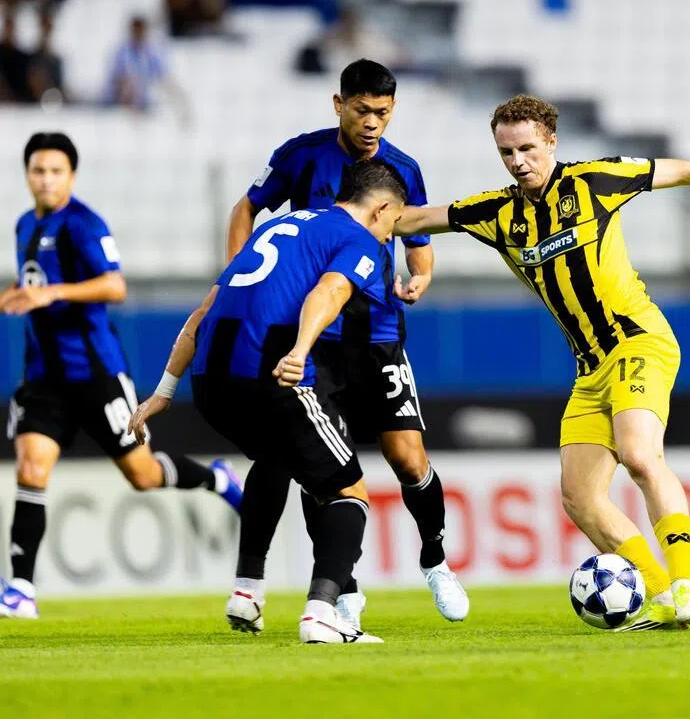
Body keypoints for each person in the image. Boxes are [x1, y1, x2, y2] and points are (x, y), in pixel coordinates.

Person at [392, 94, 690, 631]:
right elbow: (413, 219)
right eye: (506, 152)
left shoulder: (593, 181)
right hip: (590, 369)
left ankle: (688, 585)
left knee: (639, 454)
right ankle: (664, 596)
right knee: (581, 498)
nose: (518, 161)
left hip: (638, 341)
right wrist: (338, 219)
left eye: (527, 148)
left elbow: (687, 170)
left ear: (551, 142)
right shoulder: (496, 213)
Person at [225, 58, 467, 627]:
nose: (371, 122)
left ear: (393, 110)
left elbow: (418, 239)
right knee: (323, 467)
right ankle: (343, 589)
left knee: (408, 457)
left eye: (382, 112)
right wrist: (238, 272)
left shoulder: (402, 168)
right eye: (361, 110)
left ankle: (435, 559)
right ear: (339, 105)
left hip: (378, 331)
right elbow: (246, 207)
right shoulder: (301, 156)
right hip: (313, 335)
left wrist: (421, 276)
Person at [129, 159, 406, 644]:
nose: (390, 237)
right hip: (271, 373)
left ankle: (247, 590)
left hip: (211, 383)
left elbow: (204, 310)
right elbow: (330, 291)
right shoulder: (358, 239)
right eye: (394, 223)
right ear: (381, 208)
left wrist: (164, 392)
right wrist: (299, 352)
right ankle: (322, 614)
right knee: (350, 493)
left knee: (276, 459)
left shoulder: (277, 227)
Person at [0, 133, 242, 620]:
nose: (46, 180)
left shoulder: (85, 224)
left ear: (72, 176)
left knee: (143, 475)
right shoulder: (25, 224)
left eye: (55, 171)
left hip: (97, 374)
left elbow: (115, 285)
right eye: (38, 171)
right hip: (44, 378)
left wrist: (51, 294)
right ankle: (22, 589)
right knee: (31, 468)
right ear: (27, 175)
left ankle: (217, 478)